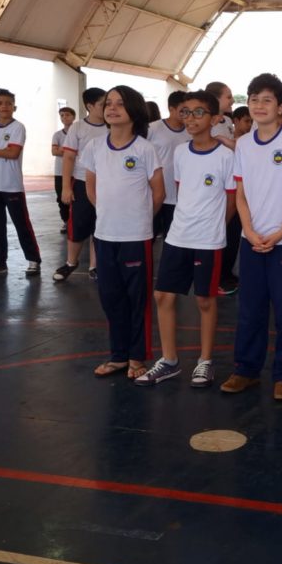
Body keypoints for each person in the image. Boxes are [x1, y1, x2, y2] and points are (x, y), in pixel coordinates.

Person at [221, 74, 282, 400]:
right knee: (251, 309)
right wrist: (248, 229)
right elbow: (241, 192)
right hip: (253, 241)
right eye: (253, 99)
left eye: (267, 100)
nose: (259, 105)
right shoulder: (243, 143)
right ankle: (246, 370)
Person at [135, 90, 236, 388]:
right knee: (163, 296)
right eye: (186, 112)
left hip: (208, 239)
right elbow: (183, 190)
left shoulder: (226, 156)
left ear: (215, 118)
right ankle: (169, 361)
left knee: (205, 299)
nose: (191, 118)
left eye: (198, 112)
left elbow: (231, 200)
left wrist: (214, 228)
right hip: (177, 235)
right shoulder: (180, 152)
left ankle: (205, 361)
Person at [83, 86, 165, 380]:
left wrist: (138, 220)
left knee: (137, 299)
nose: (112, 108)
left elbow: (158, 192)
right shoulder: (94, 147)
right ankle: (118, 355)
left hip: (136, 237)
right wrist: (107, 212)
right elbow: (90, 186)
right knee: (110, 297)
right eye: (108, 103)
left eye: (119, 103)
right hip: (104, 235)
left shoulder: (144, 148)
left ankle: (137, 356)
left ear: (134, 110)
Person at [0, 88, 42, 276]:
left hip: (11, 185)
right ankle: (0, 261)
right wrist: (0, 151)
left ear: (14, 106)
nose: (4, 106)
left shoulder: (17, 127)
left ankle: (33, 260)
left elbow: (13, 154)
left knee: (22, 224)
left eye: (8, 103)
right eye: (0, 103)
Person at [56, 88, 107, 281]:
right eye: (104, 104)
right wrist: (66, 187)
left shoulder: (112, 127)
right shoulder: (78, 127)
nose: (108, 108)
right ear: (90, 106)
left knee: (100, 225)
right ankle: (71, 262)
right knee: (77, 225)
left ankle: (95, 266)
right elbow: (68, 157)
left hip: (106, 185)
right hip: (82, 183)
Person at [147, 90, 190, 239]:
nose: (187, 115)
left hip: (179, 196)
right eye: (183, 111)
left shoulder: (191, 131)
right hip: (154, 194)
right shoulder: (152, 128)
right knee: (148, 235)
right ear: (171, 109)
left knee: (173, 239)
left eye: (189, 111)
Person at [51, 106, 76, 233]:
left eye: (67, 115)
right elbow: (54, 151)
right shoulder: (57, 135)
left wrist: (64, 149)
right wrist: (70, 149)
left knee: (76, 198)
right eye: (62, 115)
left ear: (73, 117)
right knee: (62, 198)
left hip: (75, 172)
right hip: (60, 172)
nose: (64, 117)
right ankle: (66, 221)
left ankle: (76, 221)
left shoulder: (77, 132)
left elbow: (79, 150)